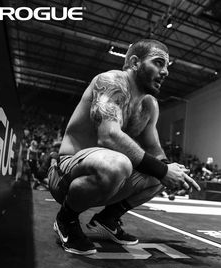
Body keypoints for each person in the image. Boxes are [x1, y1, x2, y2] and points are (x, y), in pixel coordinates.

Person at [48, 39, 200, 255]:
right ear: (135, 62)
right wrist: (163, 169)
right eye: (158, 63)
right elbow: (108, 136)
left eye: (167, 66)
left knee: (163, 170)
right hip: (67, 174)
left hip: (109, 174)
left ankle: (106, 220)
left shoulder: (149, 105)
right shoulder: (110, 82)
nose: (165, 72)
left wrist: (172, 172)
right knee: (120, 163)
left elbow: (155, 150)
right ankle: (66, 219)